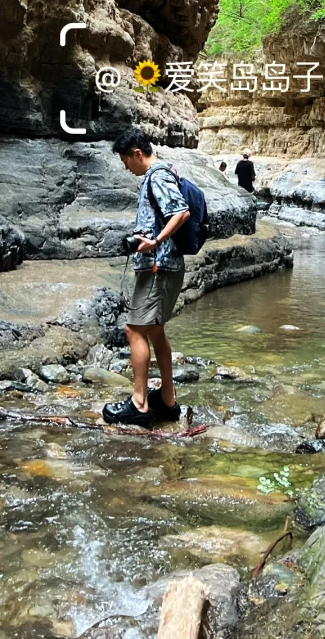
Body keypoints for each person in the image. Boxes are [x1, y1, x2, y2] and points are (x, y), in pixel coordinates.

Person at [104, 127, 191, 429]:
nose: (126, 168)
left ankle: (140, 404)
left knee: (134, 330)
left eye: (126, 161)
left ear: (137, 154)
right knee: (154, 331)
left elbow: (181, 212)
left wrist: (155, 241)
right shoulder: (162, 174)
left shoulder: (158, 176)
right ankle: (167, 401)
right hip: (162, 266)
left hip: (158, 266)